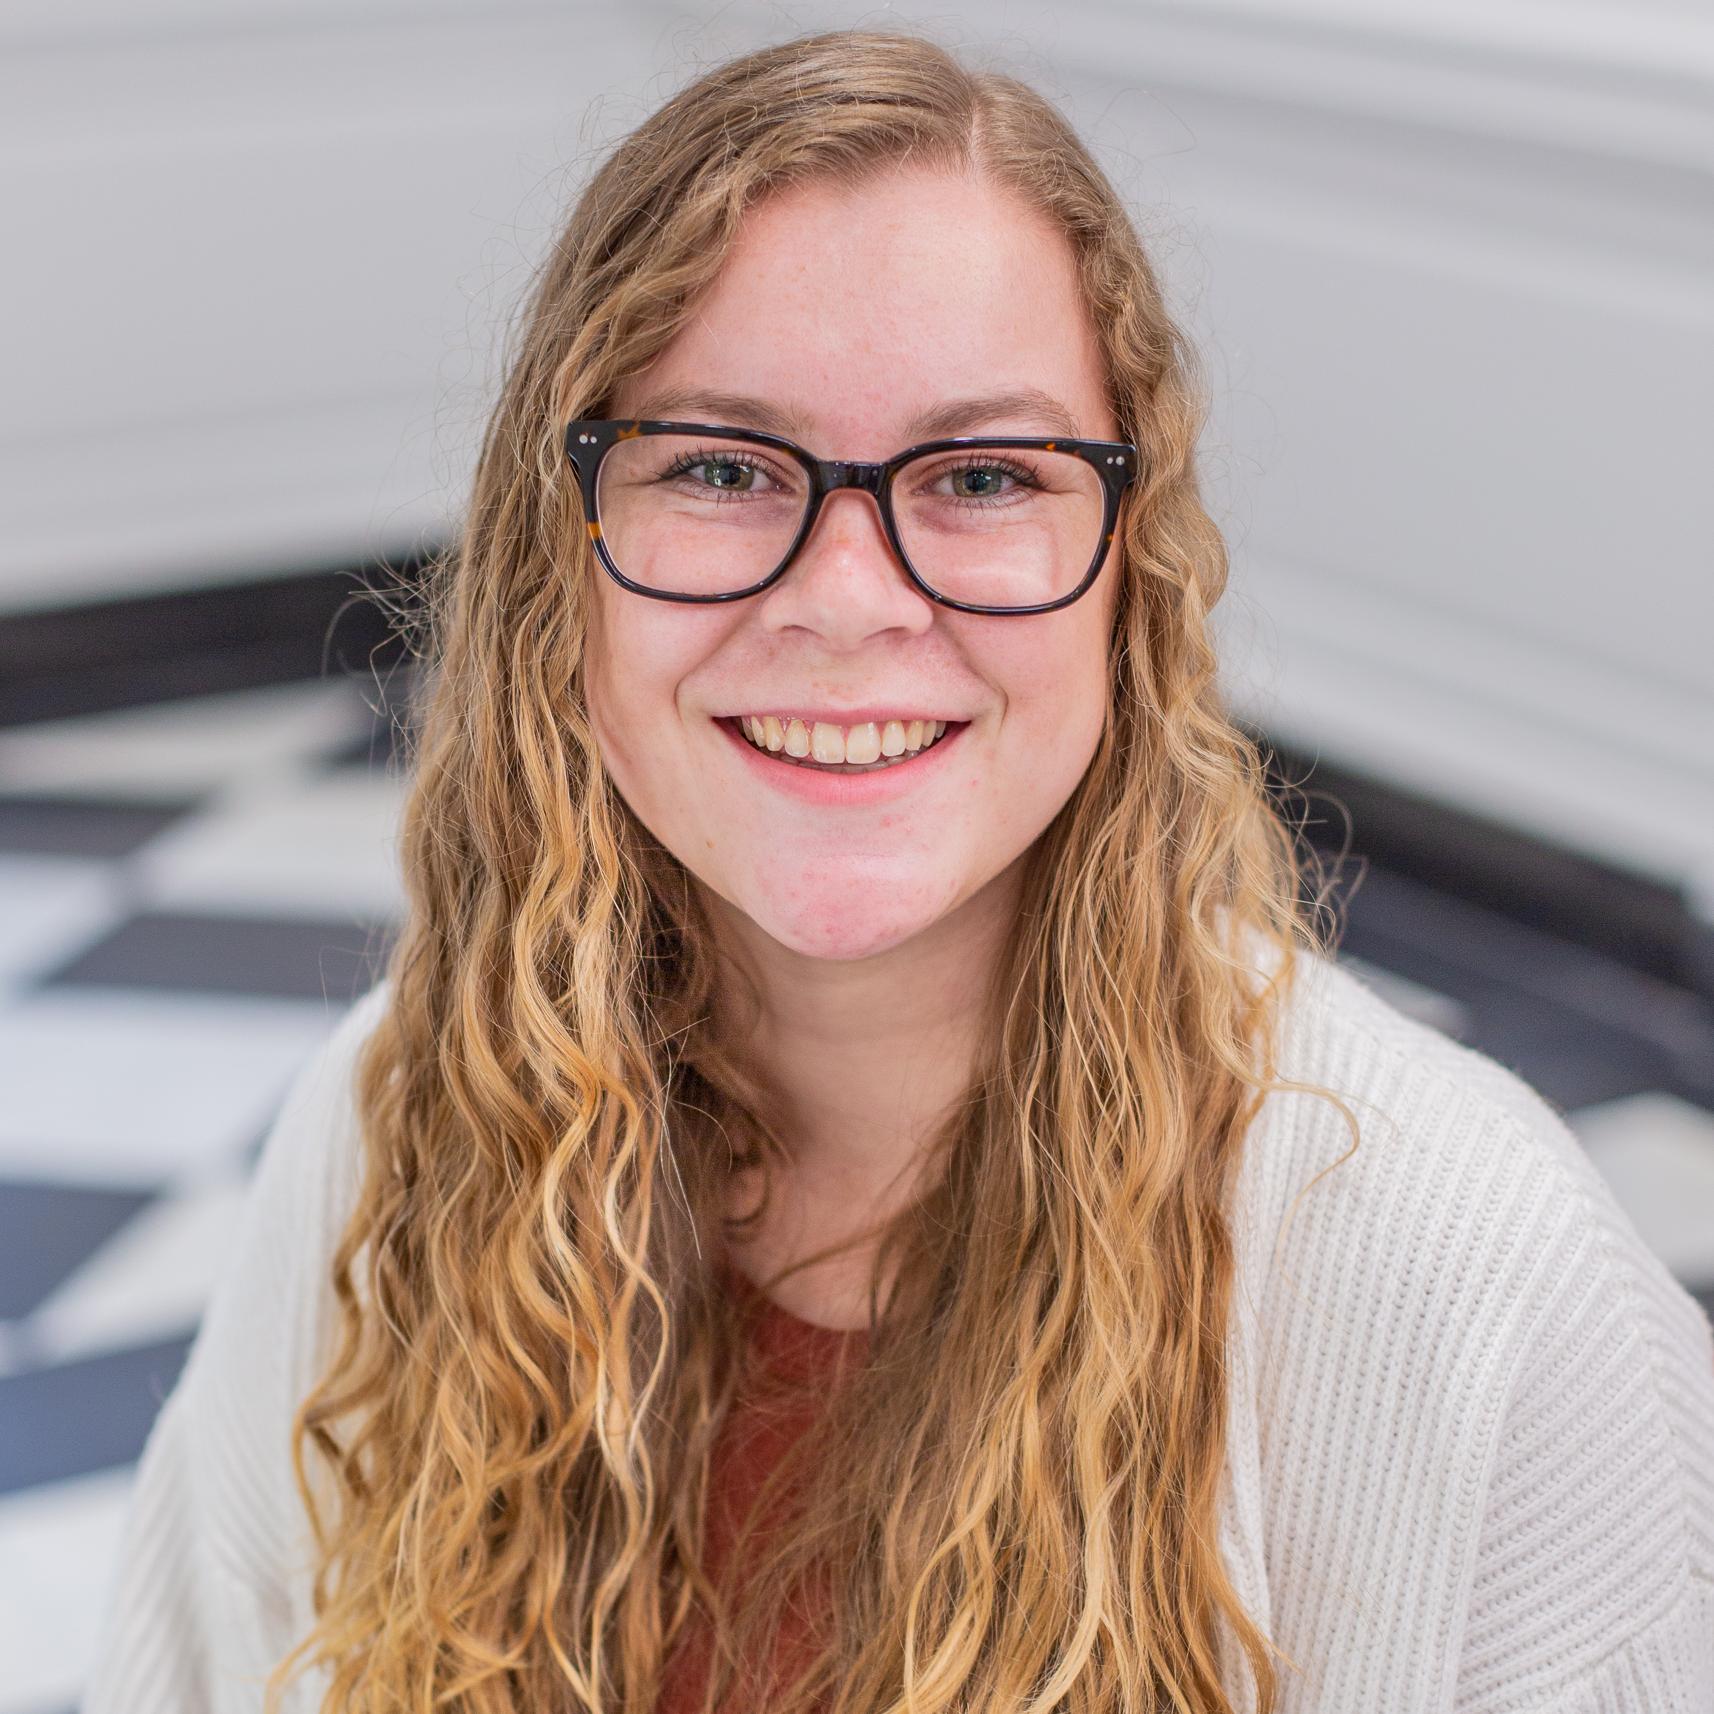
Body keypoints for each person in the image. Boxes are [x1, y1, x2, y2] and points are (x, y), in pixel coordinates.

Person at [82, 28, 1714, 1714]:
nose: (851, 599)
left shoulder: (1477, 1282)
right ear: (556, 566)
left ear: (1131, 574)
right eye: (722, 467)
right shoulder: (400, 1126)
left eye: (984, 475)